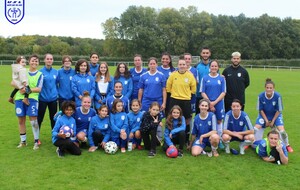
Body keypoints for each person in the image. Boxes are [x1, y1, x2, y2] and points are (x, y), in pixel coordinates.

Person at [254, 78, 293, 152]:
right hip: (264, 115)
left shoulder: (278, 96)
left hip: (276, 115)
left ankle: (287, 145)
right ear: (265, 88)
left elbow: (279, 110)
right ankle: (251, 143)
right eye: (267, 88)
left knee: (282, 132)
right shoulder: (261, 96)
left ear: (273, 88)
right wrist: (266, 121)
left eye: (270, 88)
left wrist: (272, 122)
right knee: (255, 129)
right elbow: (260, 110)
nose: (269, 89)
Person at [14, 54, 43, 150]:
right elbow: (13, 82)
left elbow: (38, 89)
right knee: (21, 120)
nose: (34, 62)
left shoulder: (40, 74)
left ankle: (36, 141)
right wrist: (20, 87)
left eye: (36, 61)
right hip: (19, 99)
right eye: (33, 60)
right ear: (29, 62)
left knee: (33, 121)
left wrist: (27, 90)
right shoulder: (23, 71)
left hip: (33, 99)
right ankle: (23, 141)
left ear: (38, 63)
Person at [166, 56, 196, 145]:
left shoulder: (190, 76)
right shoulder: (173, 75)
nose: (182, 66)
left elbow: (193, 90)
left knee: (187, 120)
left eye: (184, 64)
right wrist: (176, 93)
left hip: (186, 100)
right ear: (177, 65)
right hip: (174, 99)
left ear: (186, 65)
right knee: (171, 118)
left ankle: (186, 140)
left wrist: (185, 94)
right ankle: (171, 138)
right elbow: (168, 87)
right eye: (180, 64)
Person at [200, 60, 226, 137]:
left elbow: (223, 92)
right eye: (212, 66)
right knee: (208, 120)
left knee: (219, 120)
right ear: (209, 67)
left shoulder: (221, 78)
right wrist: (210, 103)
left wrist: (214, 103)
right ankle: (208, 138)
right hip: (207, 103)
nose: (214, 68)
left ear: (218, 67)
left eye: (215, 66)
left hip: (219, 103)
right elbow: (202, 92)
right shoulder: (205, 78)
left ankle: (219, 139)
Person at [38, 53, 58, 131]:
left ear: (52, 60)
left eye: (51, 59)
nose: (49, 60)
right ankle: (36, 138)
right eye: (47, 59)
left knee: (53, 119)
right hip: (42, 99)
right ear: (44, 60)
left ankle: (54, 136)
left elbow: (57, 84)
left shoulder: (56, 72)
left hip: (53, 99)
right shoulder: (40, 72)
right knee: (39, 118)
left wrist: (56, 94)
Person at [195, 47, 212, 114]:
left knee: (210, 116)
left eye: (207, 53)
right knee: (198, 115)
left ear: (210, 54)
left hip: (210, 96)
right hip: (198, 95)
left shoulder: (213, 65)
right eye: (204, 53)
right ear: (201, 54)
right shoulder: (196, 66)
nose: (205, 54)